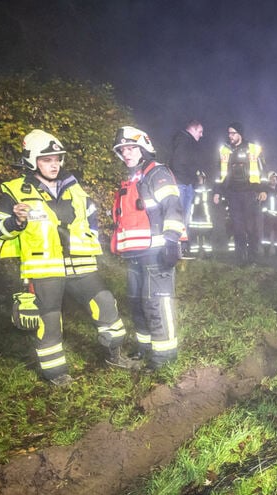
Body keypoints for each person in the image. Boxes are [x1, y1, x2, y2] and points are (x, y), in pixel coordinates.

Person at [0, 129, 137, 386]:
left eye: (57, 158)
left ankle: (115, 354)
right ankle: (56, 374)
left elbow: (91, 219)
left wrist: (91, 238)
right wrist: (16, 221)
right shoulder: (15, 192)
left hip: (81, 263)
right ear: (32, 160)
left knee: (105, 304)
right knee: (48, 320)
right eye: (47, 159)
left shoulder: (75, 188)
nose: (54, 164)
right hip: (44, 267)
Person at [111, 125, 186, 369]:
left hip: (157, 252)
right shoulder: (131, 179)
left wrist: (172, 241)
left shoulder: (157, 173)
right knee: (136, 302)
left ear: (144, 148)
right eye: (123, 149)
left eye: (131, 147)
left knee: (157, 303)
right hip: (134, 255)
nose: (127, 153)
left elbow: (173, 206)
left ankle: (164, 355)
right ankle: (144, 347)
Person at [213, 122, 266, 264]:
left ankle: (253, 258)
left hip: (249, 193)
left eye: (233, 133)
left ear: (240, 134)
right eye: (229, 133)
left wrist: (262, 189)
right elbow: (220, 174)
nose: (230, 136)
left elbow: (262, 171)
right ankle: (240, 258)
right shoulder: (224, 150)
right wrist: (217, 192)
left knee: (251, 226)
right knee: (237, 227)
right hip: (233, 194)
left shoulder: (253, 149)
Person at [168, 119, 206, 258]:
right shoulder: (183, 140)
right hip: (182, 184)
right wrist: (187, 179)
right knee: (181, 217)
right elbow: (179, 162)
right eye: (200, 131)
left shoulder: (187, 142)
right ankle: (179, 248)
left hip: (187, 183)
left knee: (185, 218)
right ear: (193, 129)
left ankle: (183, 247)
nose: (201, 135)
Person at [260, 170, 277, 256]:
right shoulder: (265, 191)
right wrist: (266, 213)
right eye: (272, 178)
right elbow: (262, 204)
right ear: (268, 180)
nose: (274, 180)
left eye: (275, 178)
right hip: (269, 217)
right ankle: (266, 252)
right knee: (267, 235)